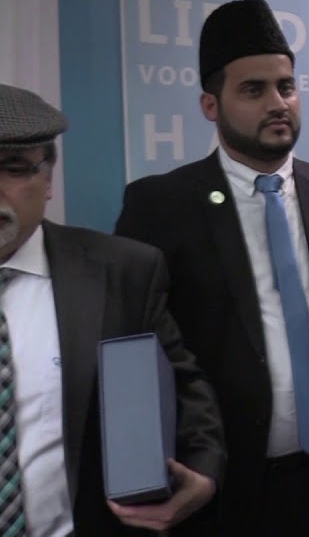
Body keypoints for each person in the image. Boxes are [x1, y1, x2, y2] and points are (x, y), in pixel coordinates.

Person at [114, 0, 309, 536]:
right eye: (253, 90)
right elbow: (135, 350)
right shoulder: (160, 207)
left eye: (286, 87)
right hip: (223, 489)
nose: (277, 103)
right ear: (211, 105)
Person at [0, 83, 224, 535]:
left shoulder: (121, 273)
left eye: (13, 168)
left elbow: (183, 384)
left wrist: (203, 471)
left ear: (49, 180)